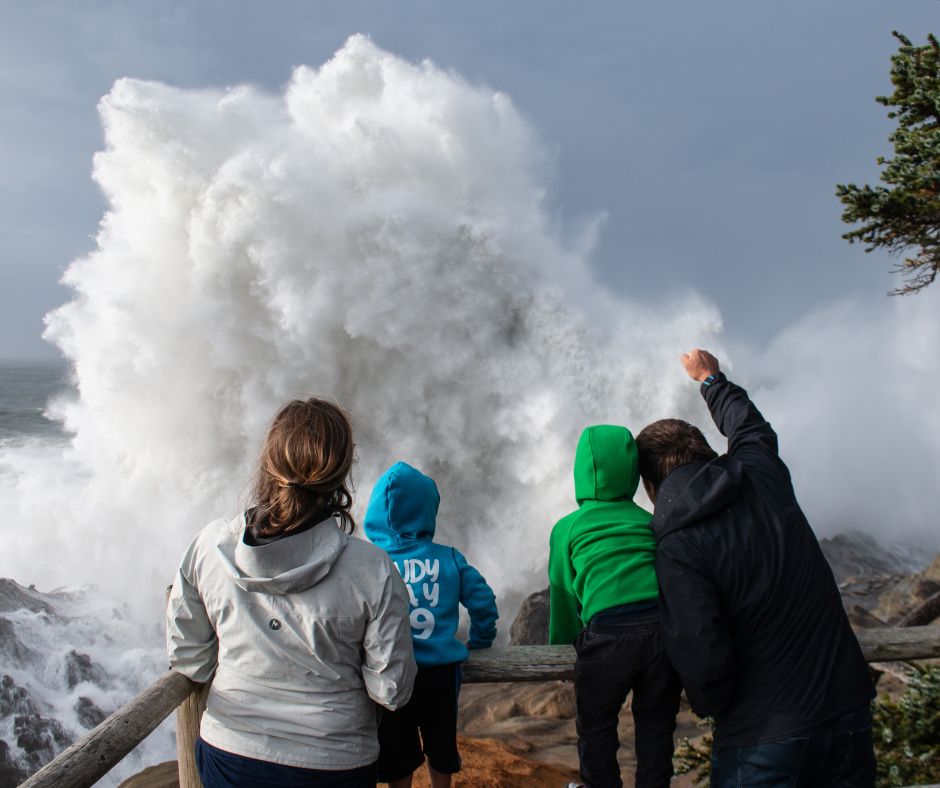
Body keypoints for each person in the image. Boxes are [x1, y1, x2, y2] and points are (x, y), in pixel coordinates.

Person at [635, 350, 876, 788]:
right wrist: (710, 380)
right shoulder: (762, 472)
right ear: (706, 451)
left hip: (762, 735)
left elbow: (701, 652)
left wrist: (718, 705)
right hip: (847, 712)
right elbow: (750, 427)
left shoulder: (676, 544)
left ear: (652, 486)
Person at [166, 398, 417, 788]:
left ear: (267, 462)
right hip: (335, 762)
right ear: (342, 473)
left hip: (231, 755)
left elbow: (189, 659)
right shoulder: (372, 568)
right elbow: (391, 689)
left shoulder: (210, 548)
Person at [549, 425, 682, 788]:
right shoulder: (649, 520)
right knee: (656, 730)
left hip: (607, 636)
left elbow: (563, 594)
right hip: (660, 631)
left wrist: (562, 647)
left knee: (596, 730)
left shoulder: (568, 528)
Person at [363, 461, 498, 788]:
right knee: (441, 745)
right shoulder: (449, 558)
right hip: (441, 674)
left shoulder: (372, 563)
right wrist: (480, 640)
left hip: (393, 672)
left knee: (397, 750)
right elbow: (483, 601)